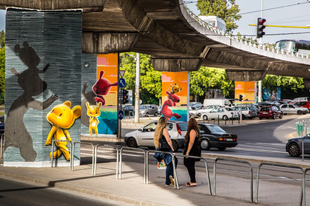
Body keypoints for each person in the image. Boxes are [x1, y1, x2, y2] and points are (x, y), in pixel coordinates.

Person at [153, 116, 178, 186]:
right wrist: (172, 148)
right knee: (171, 162)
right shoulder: (164, 130)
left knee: (171, 162)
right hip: (166, 149)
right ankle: (169, 180)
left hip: (159, 150)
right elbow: (168, 140)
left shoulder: (157, 130)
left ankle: (171, 178)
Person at [183, 118, 201, 187]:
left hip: (191, 151)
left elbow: (191, 142)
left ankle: (193, 181)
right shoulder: (196, 131)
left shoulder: (192, 131)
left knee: (189, 165)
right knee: (190, 166)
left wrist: (187, 152)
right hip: (194, 151)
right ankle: (192, 180)